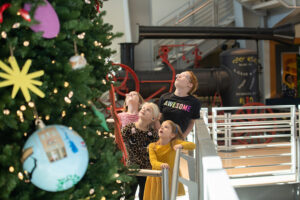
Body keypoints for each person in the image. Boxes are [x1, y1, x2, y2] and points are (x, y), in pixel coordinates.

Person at [143, 120, 196, 200]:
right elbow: (153, 162)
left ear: (172, 135)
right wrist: (161, 165)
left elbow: (193, 145)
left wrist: (181, 145)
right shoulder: (152, 146)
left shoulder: (174, 143)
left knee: (169, 196)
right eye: (161, 126)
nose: (162, 128)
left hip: (170, 176)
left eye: (166, 127)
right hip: (156, 178)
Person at [121, 102, 160, 200]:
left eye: (148, 110)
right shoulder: (128, 128)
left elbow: (157, 152)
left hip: (147, 171)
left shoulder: (153, 135)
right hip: (131, 168)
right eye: (143, 108)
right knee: (129, 195)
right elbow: (118, 144)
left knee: (144, 196)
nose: (143, 109)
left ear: (153, 118)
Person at [158, 71, 201, 138]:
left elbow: (192, 122)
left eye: (183, 76)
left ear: (190, 84)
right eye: (178, 75)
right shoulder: (164, 97)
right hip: (162, 138)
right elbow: (159, 117)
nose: (178, 76)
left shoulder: (194, 102)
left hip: (178, 140)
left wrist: (183, 137)